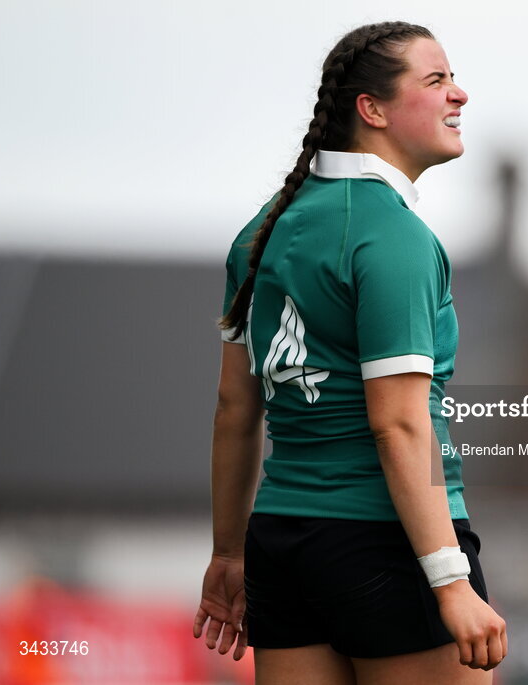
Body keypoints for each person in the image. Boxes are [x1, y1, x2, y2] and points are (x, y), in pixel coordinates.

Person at [191, 21, 507, 685]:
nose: (460, 95)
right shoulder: (394, 236)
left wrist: (228, 551)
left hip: (282, 544)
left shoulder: (262, 231)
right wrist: (449, 581)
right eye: (437, 80)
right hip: (390, 544)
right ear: (373, 109)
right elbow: (397, 422)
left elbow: (232, 407)